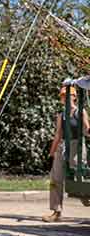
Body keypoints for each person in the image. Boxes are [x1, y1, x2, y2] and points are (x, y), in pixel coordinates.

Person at [43, 85, 90, 222]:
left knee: (78, 178)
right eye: (62, 96)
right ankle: (56, 211)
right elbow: (58, 135)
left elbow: (87, 130)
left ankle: (86, 198)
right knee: (55, 179)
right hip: (63, 146)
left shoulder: (81, 112)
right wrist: (51, 155)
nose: (64, 98)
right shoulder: (61, 115)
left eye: (67, 95)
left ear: (74, 97)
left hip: (77, 147)